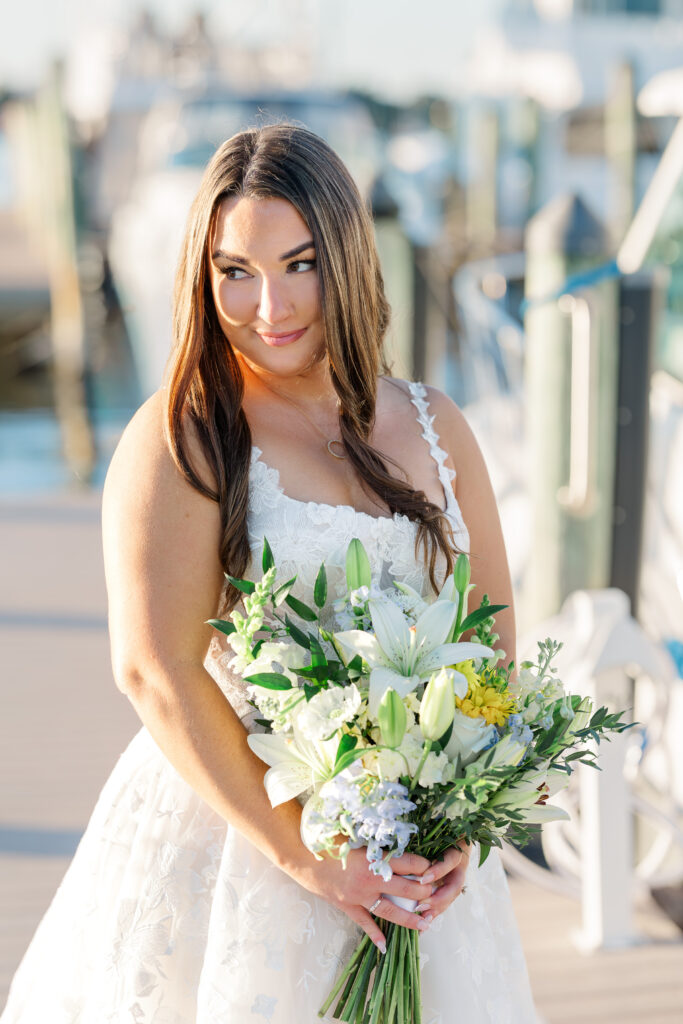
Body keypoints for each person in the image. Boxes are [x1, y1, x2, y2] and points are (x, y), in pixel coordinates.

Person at [0, 123, 537, 1023]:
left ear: (347, 259)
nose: (268, 306)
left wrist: (465, 827)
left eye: (298, 264)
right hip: (247, 843)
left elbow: (493, 631)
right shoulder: (187, 435)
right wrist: (307, 857)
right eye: (234, 271)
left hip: (420, 857)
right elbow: (153, 669)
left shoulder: (435, 423)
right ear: (200, 276)